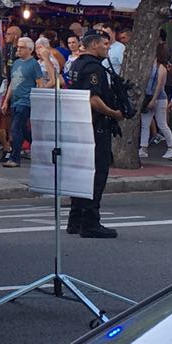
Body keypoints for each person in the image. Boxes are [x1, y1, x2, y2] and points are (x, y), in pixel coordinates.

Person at [66, 29, 124, 238]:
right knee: (96, 174)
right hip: (94, 126)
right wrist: (114, 113)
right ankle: (90, 222)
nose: (107, 48)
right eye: (104, 45)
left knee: (80, 173)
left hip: (78, 125)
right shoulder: (93, 68)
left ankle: (75, 221)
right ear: (93, 45)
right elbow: (93, 99)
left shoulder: (76, 64)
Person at [2, 36, 39, 168]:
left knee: (16, 128)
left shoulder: (34, 64)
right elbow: (13, 82)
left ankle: (15, 158)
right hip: (15, 100)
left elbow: (39, 83)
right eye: (18, 47)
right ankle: (40, 147)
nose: (18, 49)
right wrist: (6, 100)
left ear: (29, 49)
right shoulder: (17, 63)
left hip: (25, 101)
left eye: (22, 47)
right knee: (22, 130)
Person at [136, 43, 172, 159]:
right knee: (145, 124)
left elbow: (159, 86)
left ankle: (171, 147)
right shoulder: (149, 65)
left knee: (162, 124)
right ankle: (143, 148)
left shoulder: (161, 67)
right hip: (148, 96)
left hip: (159, 98)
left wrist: (153, 100)